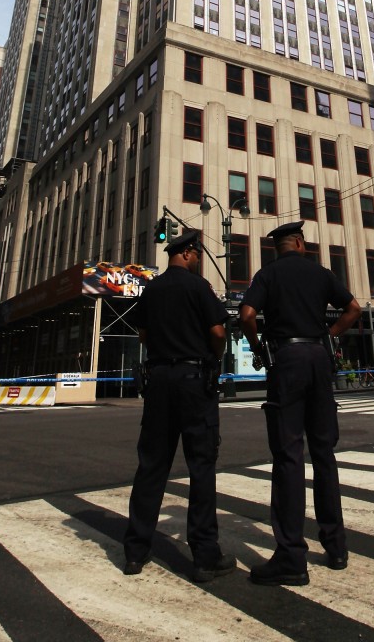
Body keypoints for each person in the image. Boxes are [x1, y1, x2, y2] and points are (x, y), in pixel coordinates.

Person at [239, 220, 361, 586]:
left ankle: (292, 556)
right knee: (324, 453)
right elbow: (353, 308)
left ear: (278, 248)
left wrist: (259, 348)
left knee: (289, 456)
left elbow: (246, 315)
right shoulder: (321, 273)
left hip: (286, 361)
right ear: (302, 244)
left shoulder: (268, 274)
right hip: (319, 360)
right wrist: (330, 335)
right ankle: (336, 546)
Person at [123, 228, 236, 582]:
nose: (199, 260)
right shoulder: (198, 287)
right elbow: (218, 332)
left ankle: (135, 552)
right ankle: (205, 555)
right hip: (193, 380)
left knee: (151, 466)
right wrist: (212, 358)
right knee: (201, 466)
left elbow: (142, 333)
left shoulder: (151, 288)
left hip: (158, 380)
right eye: (197, 255)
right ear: (187, 253)